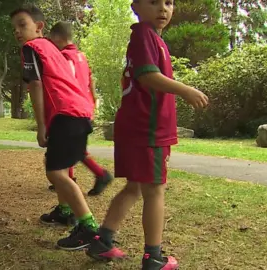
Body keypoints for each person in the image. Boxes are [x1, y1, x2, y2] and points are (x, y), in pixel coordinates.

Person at [85, 0, 209, 269]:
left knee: (134, 187)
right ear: (136, 6)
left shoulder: (153, 39)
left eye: (169, 2)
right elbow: (147, 76)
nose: (163, 9)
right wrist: (185, 90)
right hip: (147, 130)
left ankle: (103, 240)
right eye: (154, 2)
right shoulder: (143, 35)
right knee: (155, 190)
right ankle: (153, 257)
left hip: (138, 128)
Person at [10, 5, 101, 250]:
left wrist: (41, 126)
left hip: (65, 114)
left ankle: (89, 228)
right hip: (81, 112)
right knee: (59, 165)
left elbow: (36, 86)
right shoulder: (51, 48)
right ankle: (64, 212)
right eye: (14, 28)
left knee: (56, 173)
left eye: (22, 25)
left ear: (39, 27)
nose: (17, 32)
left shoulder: (30, 48)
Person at [48, 21, 114, 196]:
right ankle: (72, 178)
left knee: (69, 147)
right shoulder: (82, 57)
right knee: (75, 147)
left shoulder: (63, 58)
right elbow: (90, 83)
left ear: (56, 38)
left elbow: (65, 84)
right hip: (84, 107)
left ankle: (83, 177)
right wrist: (92, 104)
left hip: (70, 107)